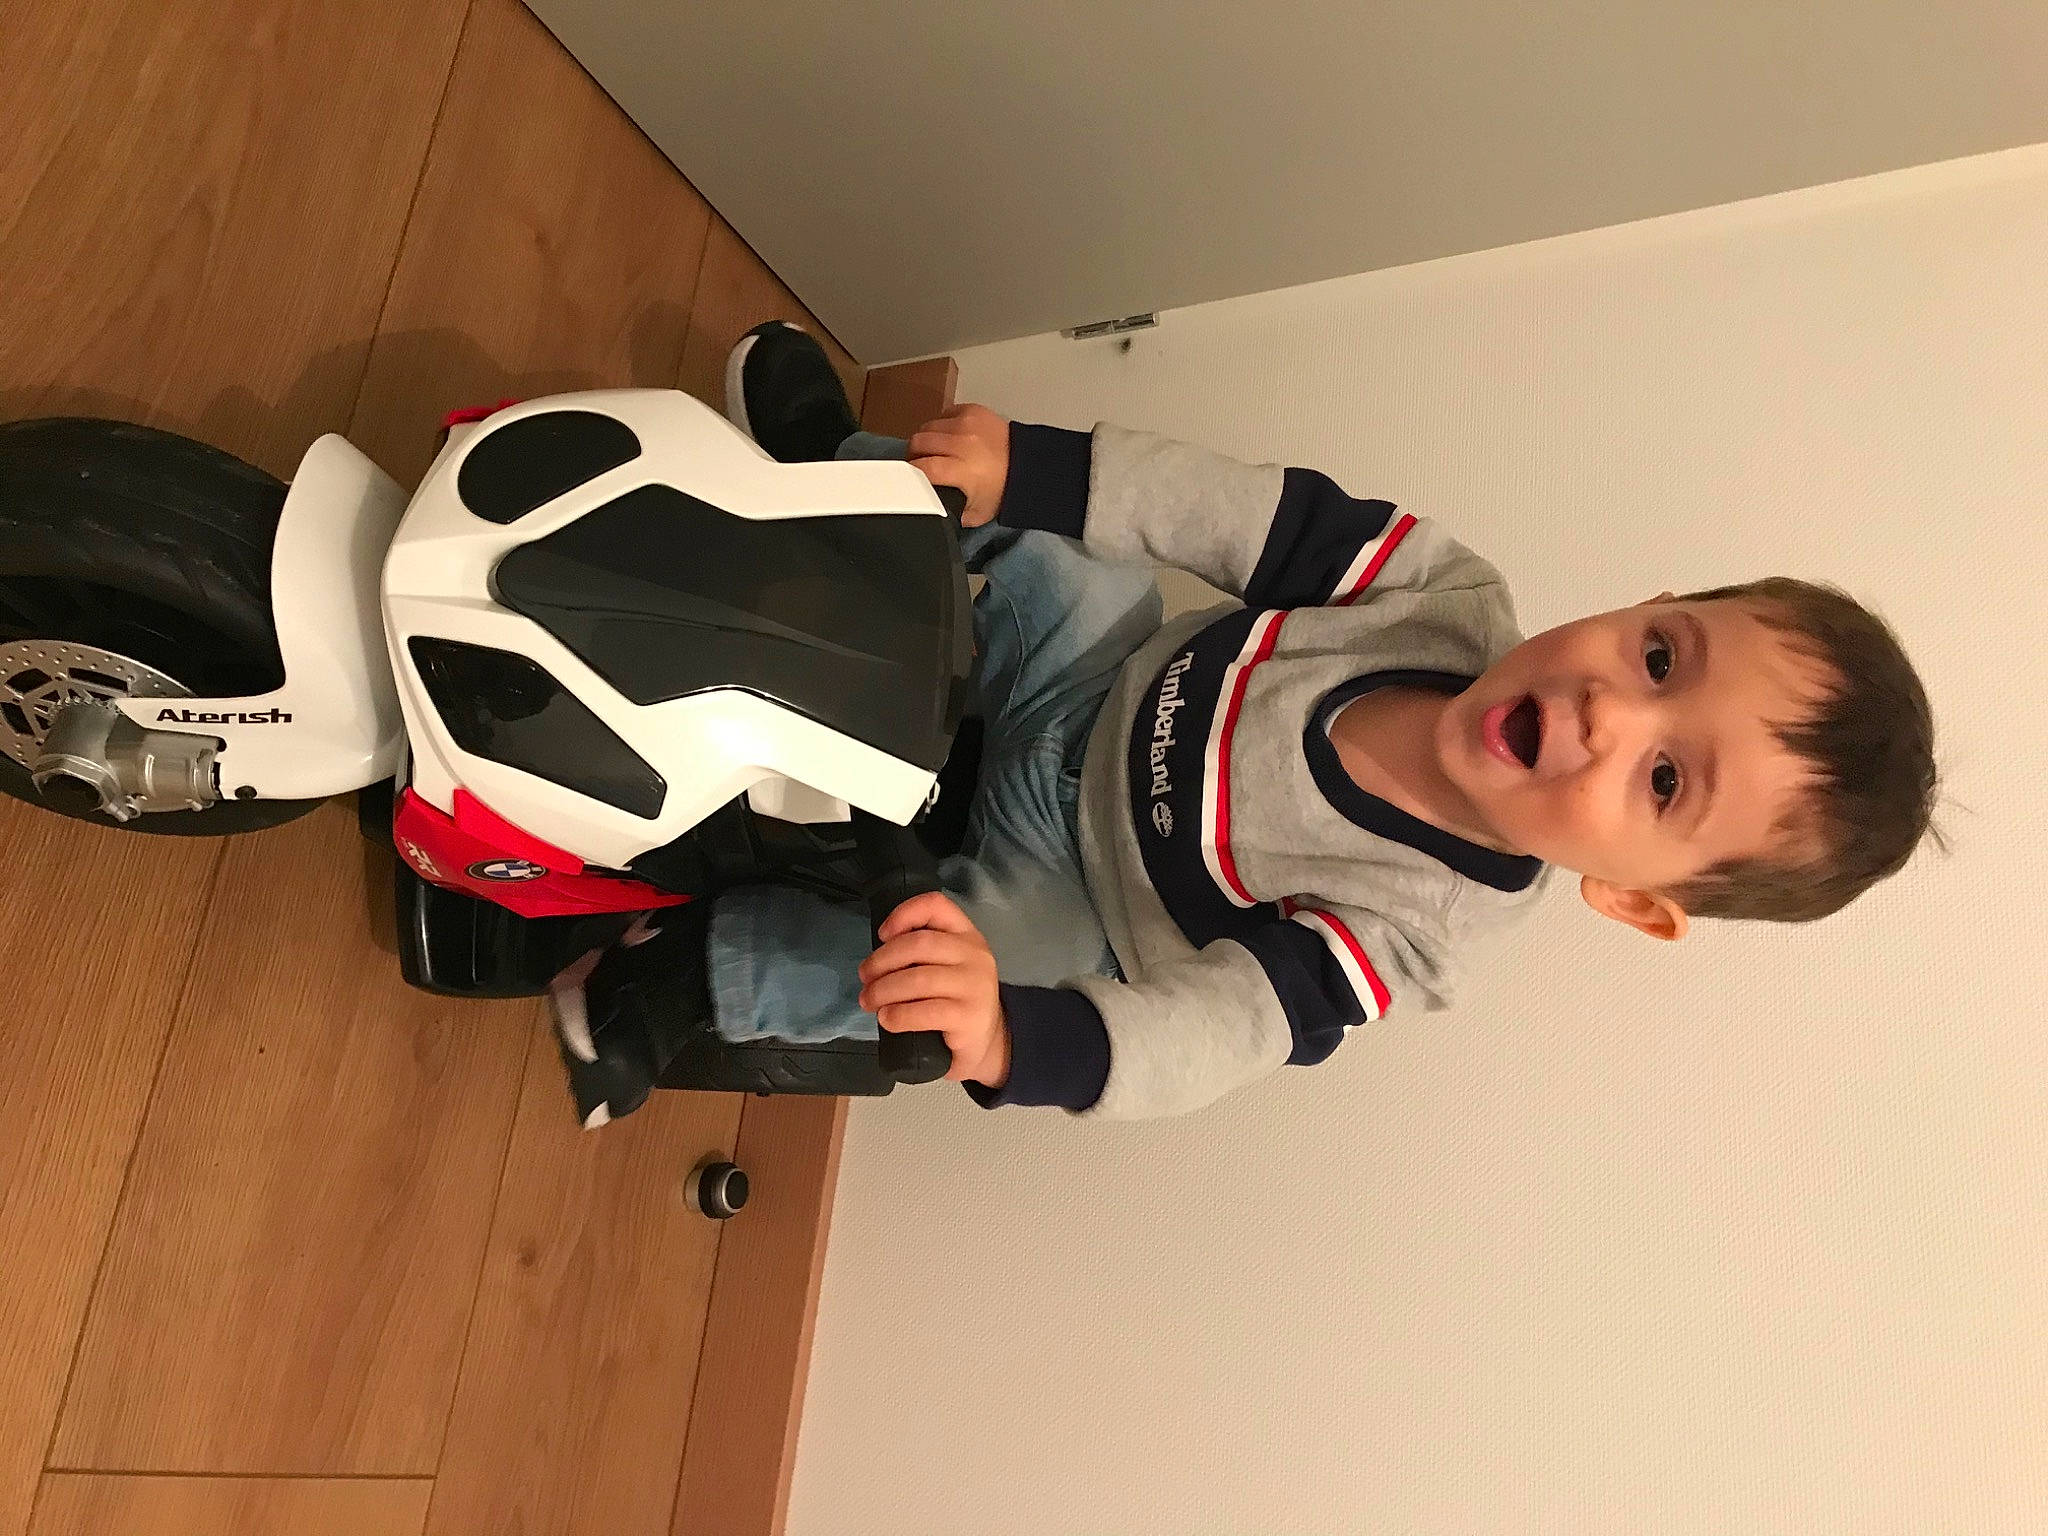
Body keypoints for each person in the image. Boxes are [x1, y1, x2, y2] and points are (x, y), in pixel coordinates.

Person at [552, 321, 1938, 1125]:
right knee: (1055, 559)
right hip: (1099, 672)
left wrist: (1012, 1041)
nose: (1601, 710)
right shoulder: (1446, 595)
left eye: (1661, 779)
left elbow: (1213, 1034)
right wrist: (1026, 465)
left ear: (1633, 899)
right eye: (1655, 655)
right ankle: (819, 479)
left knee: (931, 976)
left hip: (1084, 887)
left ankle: (682, 980)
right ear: (1648, 602)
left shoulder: (1415, 929)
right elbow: (1230, 509)